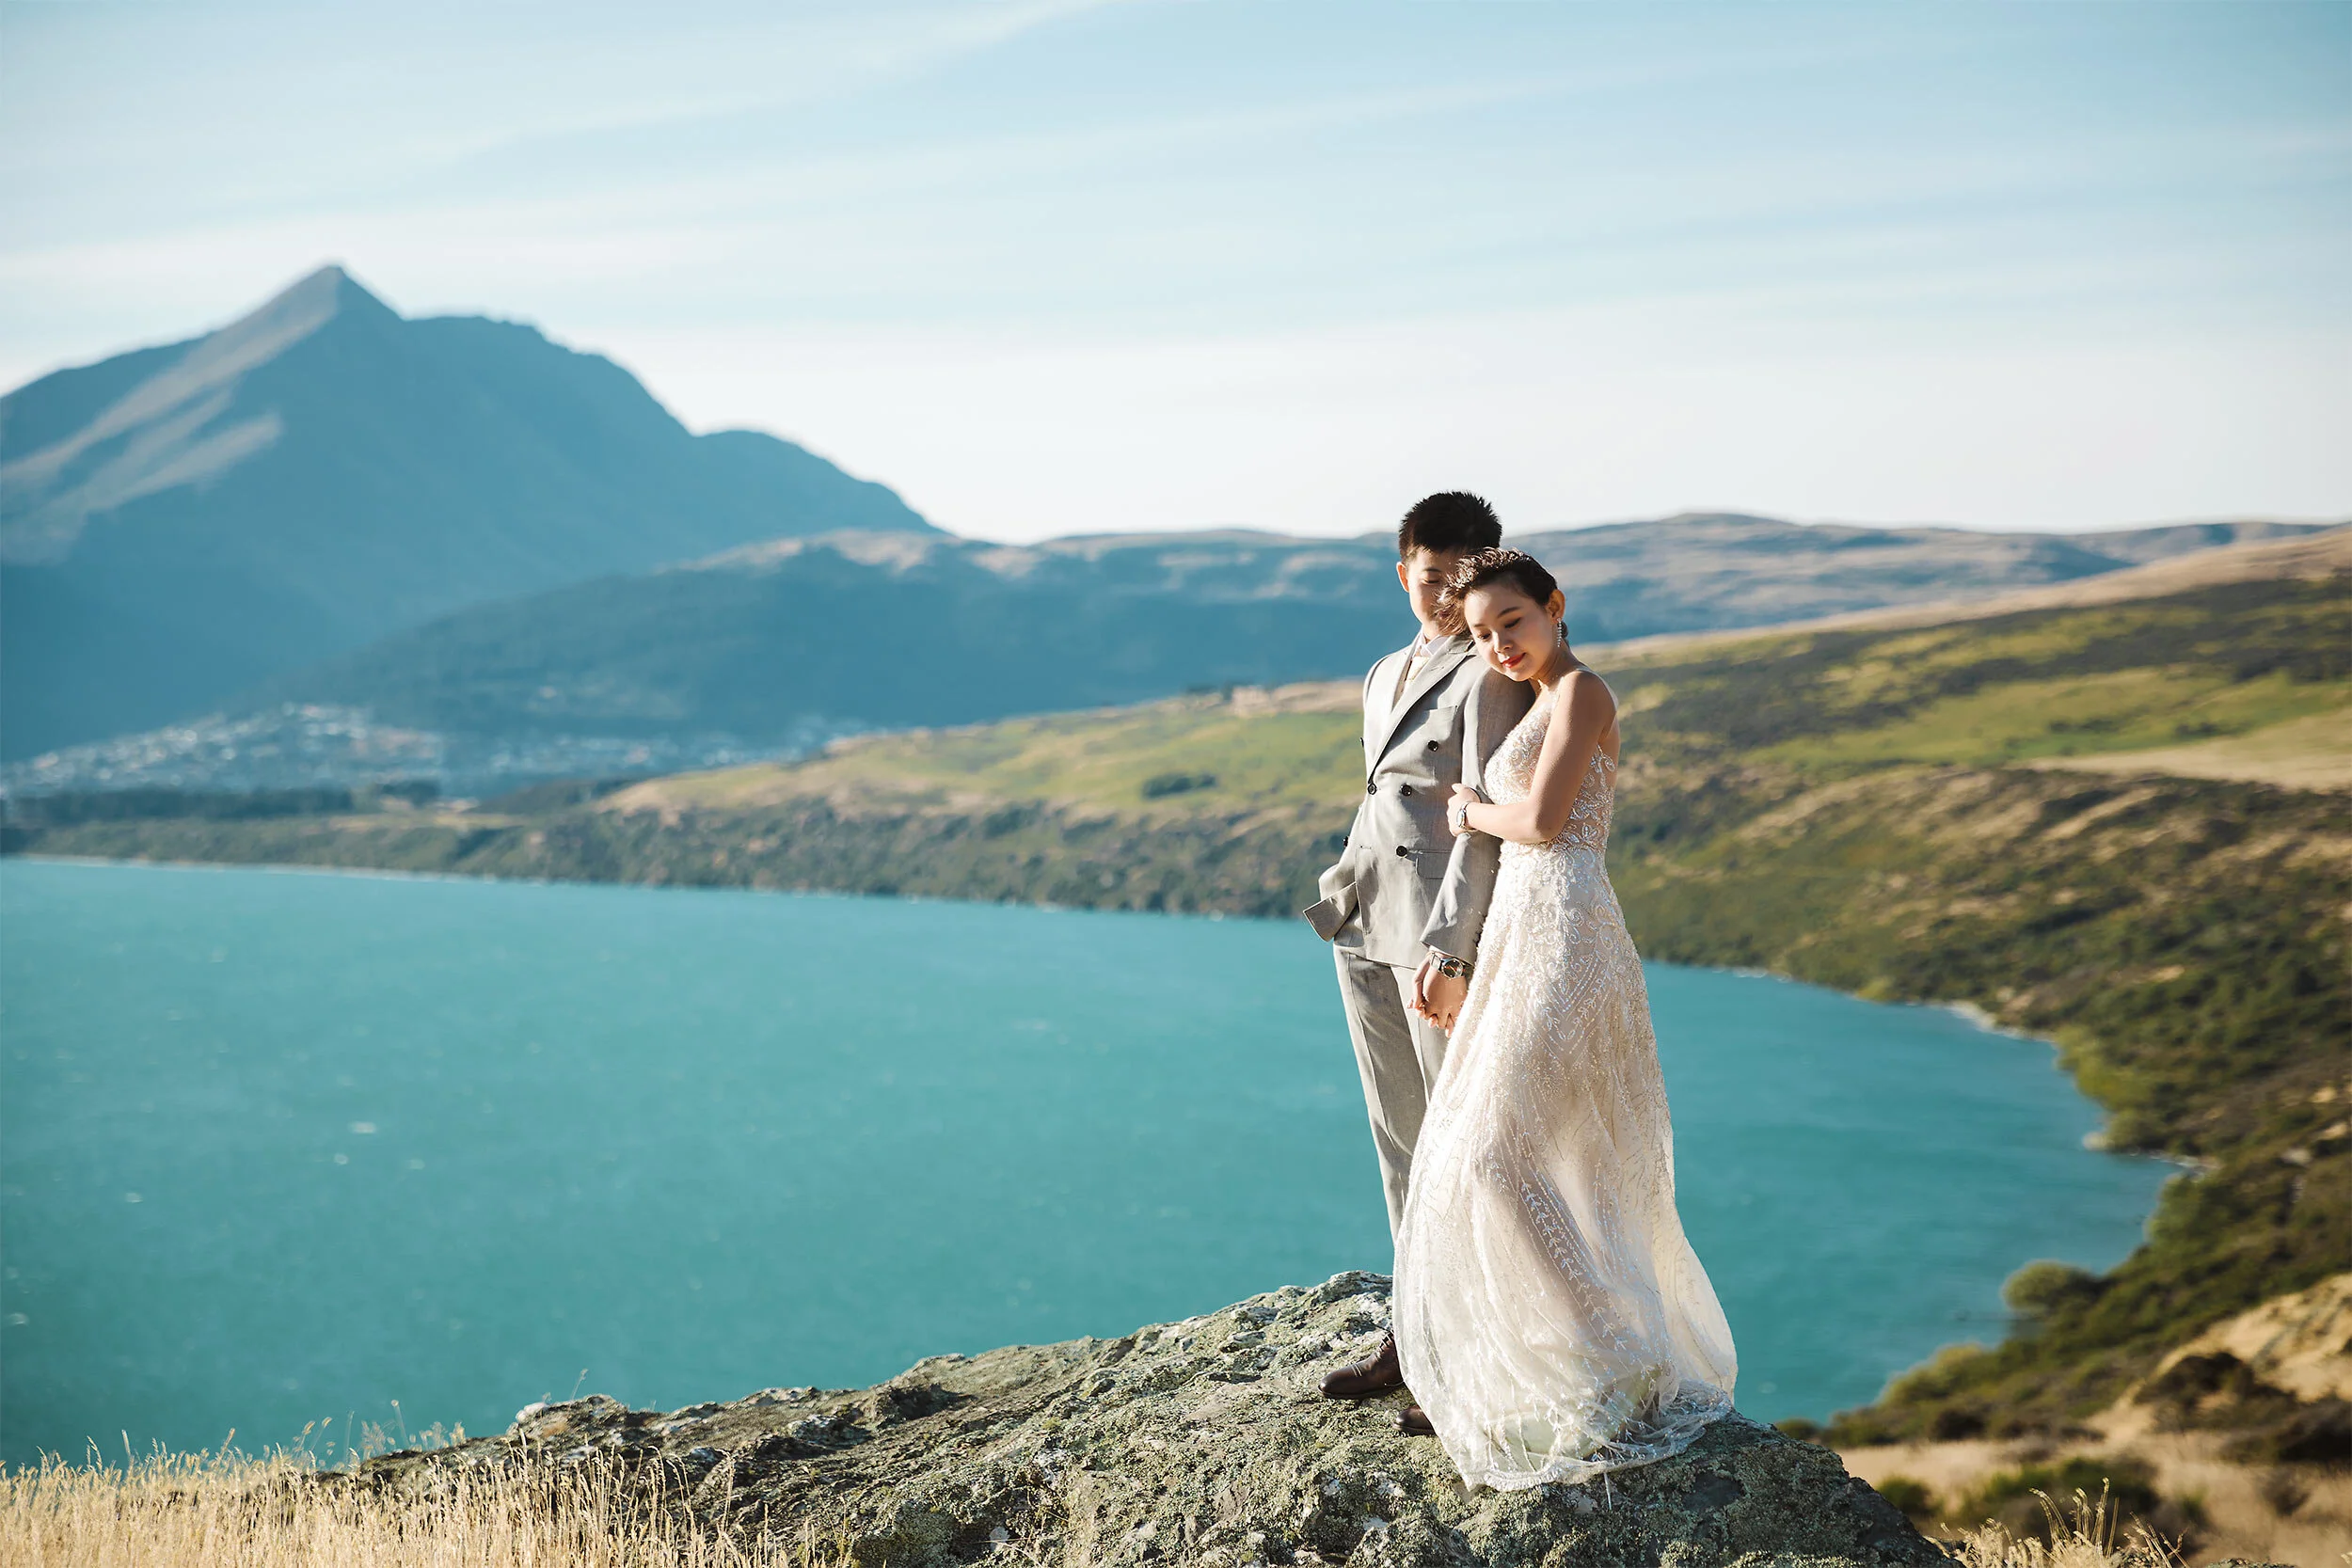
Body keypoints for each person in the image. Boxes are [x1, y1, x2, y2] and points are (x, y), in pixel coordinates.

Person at [1390, 546, 1737, 1489]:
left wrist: (1467, 811)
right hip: (1522, 930)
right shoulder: (1541, 698)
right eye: (1481, 633)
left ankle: (1613, 1357)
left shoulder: (1583, 692)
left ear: (1554, 606)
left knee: (1498, 1148)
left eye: (1511, 621)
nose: (1498, 643)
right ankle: (1605, 1351)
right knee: (1533, 1149)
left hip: (1569, 930)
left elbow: (1541, 822)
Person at [1302, 493, 1535, 1402]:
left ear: (1483, 571)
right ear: (1405, 574)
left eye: (1458, 579)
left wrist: (1455, 946)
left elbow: (1484, 822)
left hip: (1439, 941)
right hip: (1363, 928)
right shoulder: (1378, 672)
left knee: (1458, 1145)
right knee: (1400, 1141)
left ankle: (1471, 1365)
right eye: (1427, 578)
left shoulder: (1491, 675)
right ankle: (1413, 1339)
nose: (1442, 597)